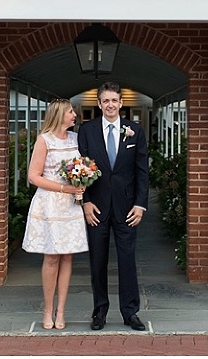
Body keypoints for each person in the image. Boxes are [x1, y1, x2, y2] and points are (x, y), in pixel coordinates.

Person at [78, 82, 150, 332]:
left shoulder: (135, 131)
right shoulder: (86, 131)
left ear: (121, 103)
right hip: (96, 207)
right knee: (97, 261)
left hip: (127, 208)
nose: (110, 105)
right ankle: (99, 312)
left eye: (114, 100)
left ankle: (130, 312)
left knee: (127, 260)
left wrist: (140, 204)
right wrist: (85, 202)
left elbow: (142, 171)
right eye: (105, 100)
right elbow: (81, 169)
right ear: (99, 104)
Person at [22, 99, 88, 330]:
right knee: (51, 257)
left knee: (67, 256)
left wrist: (83, 181)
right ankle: (47, 310)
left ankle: (62, 311)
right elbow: (34, 176)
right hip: (50, 204)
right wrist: (64, 188)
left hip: (71, 204)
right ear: (59, 115)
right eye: (71, 111)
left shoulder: (76, 139)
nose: (74, 115)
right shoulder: (44, 140)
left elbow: (84, 166)